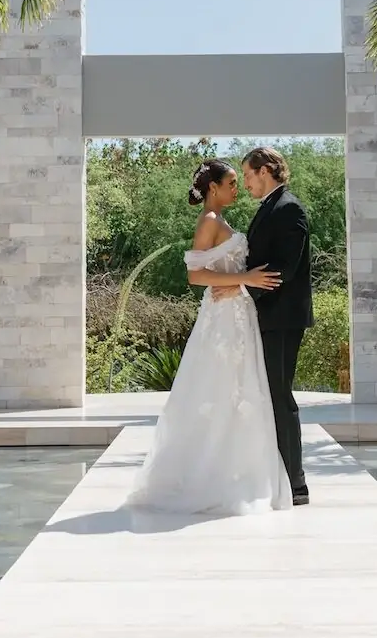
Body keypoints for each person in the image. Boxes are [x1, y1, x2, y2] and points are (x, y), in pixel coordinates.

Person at [124, 159, 294, 515]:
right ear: (213, 187)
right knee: (219, 389)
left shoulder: (220, 221)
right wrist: (243, 280)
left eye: (238, 182)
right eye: (232, 183)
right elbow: (196, 276)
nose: (237, 188)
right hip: (221, 320)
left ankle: (240, 471)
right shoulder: (209, 221)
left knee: (241, 391)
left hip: (238, 315)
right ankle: (212, 475)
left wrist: (241, 283)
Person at [216, 146, 312, 505]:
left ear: (266, 171)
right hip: (268, 317)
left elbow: (283, 271)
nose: (246, 183)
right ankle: (277, 478)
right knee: (268, 395)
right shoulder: (270, 208)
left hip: (283, 320)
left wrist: (237, 286)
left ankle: (296, 484)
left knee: (279, 396)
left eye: (248, 175)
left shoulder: (289, 209)